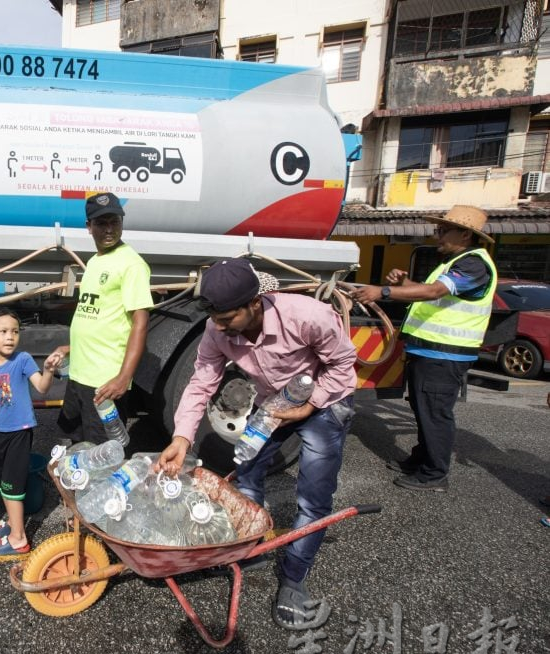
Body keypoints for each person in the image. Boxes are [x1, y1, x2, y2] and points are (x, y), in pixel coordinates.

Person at [156, 258, 357, 629]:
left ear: (254, 304)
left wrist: (311, 404)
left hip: (325, 404)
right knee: (246, 475)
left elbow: (344, 365)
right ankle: (250, 549)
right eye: (214, 317)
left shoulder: (308, 316)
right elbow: (201, 383)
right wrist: (182, 437)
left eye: (227, 318)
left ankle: (294, 580)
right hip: (275, 404)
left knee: (313, 498)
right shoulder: (215, 329)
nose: (218, 326)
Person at [352, 205, 497, 493]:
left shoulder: (473, 264)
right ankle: (420, 460)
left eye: (443, 231)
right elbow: (433, 296)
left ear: (466, 234)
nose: (437, 236)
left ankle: (434, 474)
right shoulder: (455, 263)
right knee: (423, 410)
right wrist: (404, 284)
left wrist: (382, 291)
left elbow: (433, 293)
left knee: (434, 413)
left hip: (445, 355)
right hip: (431, 353)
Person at [49, 192, 153, 444]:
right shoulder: (95, 261)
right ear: (89, 226)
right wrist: (69, 347)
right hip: (80, 375)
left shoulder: (132, 264)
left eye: (114, 222)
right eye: (101, 223)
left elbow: (140, 323)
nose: (109, 229)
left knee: (101, 454)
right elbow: (99, 316)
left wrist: (123, 378)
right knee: (72, 444)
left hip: (104, 382)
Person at [0, 307, 58, 555]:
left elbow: (41, 387)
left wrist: (48, 370)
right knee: (1, 483)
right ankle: (12, 520)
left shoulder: (23, 359)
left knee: (13, 485)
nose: (10, 337)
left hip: (20, 431)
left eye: (15, 332)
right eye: (3, 331)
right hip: (0, 432)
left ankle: (19, 538)